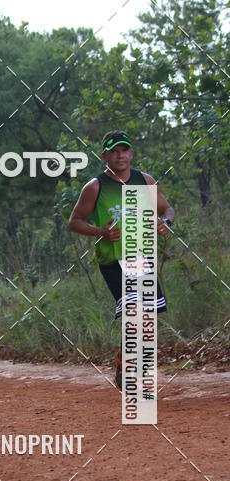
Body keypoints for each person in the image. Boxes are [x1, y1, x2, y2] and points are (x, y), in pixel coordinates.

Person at [68, 130, 174, 388]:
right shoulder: (95, 187)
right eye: (113, 151)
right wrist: (101, 232)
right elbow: (74, 222)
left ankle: (124, 362)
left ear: (131, 153)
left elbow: (167, 209)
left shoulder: (144, 180)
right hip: (112, 260)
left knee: (146, 318)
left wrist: (166, 222)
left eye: (124, 150)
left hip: (140, 258)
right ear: (104, 156)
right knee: (134, 312)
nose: (120, 156)